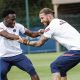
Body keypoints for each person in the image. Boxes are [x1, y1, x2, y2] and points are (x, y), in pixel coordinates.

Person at [23, 8, 80, 80]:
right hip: (77, 49)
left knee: (54, 66)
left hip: (77, 50)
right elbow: (54, 31)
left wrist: (26, 42)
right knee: (62, 70)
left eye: (42, 18)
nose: (41, 21)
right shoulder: (60, 21)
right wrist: (44, 31)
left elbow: (39, 43)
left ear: (49, 16)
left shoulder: (51, 27)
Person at [0, 9, 44, 80]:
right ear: (5, 19)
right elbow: (8, 35)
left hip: (18, 56)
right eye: (12, 20)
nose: (14, 22)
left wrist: (39, 32)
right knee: (1, 74)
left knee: (32, 71)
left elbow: (32, 34)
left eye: (15, 19)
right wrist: (20, 38)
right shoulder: (0, 26)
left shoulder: (18, 26)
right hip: (4, 58)